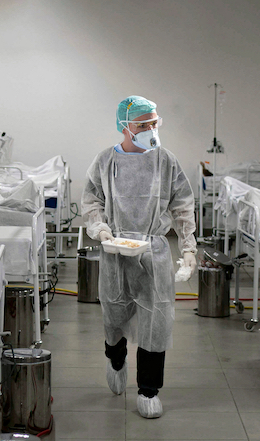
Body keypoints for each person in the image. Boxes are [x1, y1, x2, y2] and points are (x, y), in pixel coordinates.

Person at [81, 95, 196, 419]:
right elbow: (91, 201)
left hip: (154, 250)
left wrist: (188, 247)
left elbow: (183, 205)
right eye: (142, 124)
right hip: (115, 251)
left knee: (155, 321)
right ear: (124, 127)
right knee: (113, 317)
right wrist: (101, 229)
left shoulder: (166, 161)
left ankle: (148, 390)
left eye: (154, 123)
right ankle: (115, 359)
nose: (150, 129)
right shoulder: (106, 162)